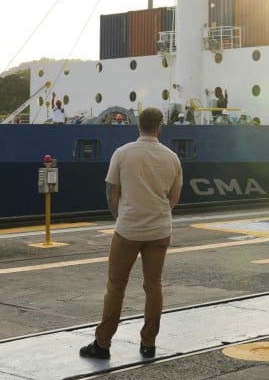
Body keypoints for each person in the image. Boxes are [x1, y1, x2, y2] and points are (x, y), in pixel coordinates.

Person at [79, 107, 182, 360]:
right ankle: (148, 344)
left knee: (116, 285)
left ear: (138, 126)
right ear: (160, 127)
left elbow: (112, 194)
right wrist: (157, 214)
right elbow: (174, 198)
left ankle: (102, 345)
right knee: (153, 285)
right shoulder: (172, 158)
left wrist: (122, 217)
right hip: (159, 230)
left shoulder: (122, 153)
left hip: (127, 229)